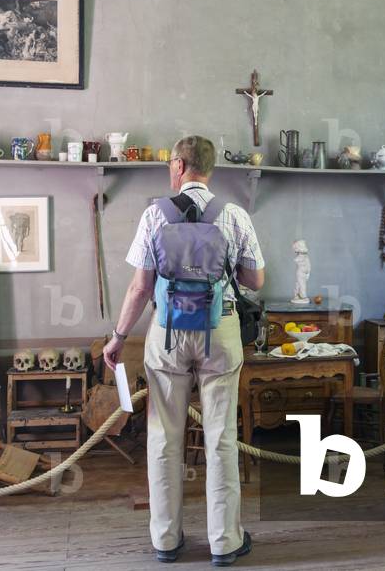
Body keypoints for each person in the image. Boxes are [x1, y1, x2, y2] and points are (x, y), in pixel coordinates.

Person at [102, 135, 265, 566]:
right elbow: (255, 281)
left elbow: (140, 287)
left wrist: (118, 336)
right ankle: (225, 542)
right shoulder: (233, 214)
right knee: (221, 440)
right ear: (210, 169)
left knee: (163, 439)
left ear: (178, 166)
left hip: (169, 331)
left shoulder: (155, 214)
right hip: (220, 328)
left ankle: (167, 540)